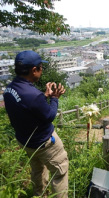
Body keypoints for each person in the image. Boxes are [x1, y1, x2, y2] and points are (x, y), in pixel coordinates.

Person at [3, 51, 68, 197]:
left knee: (37, 170)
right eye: (40, 67)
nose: (42, 70)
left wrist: (43, 97)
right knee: (59, 172)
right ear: (34, 70)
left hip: (26, 141)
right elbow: (49, 115)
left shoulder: (9, 89)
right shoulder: (32, 95)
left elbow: (26, 107)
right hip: (45, 143)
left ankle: (40, 195)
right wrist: (54, 98)